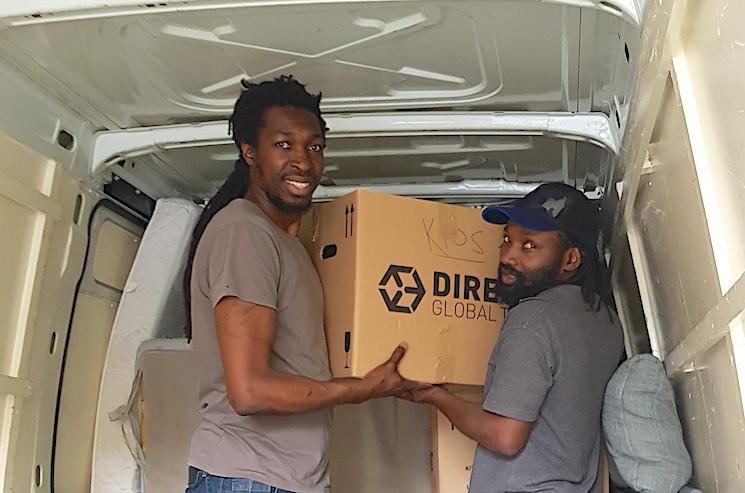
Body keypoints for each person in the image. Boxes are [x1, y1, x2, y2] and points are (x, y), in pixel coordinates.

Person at [183, 75, 423, 493]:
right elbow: (250, 391)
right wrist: (359, 390)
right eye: (283, 145)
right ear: (249, 152)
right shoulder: (245, 233)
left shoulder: (285, 242)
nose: (304, 161)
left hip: (283, 479)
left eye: (314, 147)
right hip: (250, 477)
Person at [399, 182, 624, 493]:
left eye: (529, 246)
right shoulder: (607, 320)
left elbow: (505, 437)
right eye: (507, 240)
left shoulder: (532, 320)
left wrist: (435, 396)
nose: (508, 257)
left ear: (570, 260)